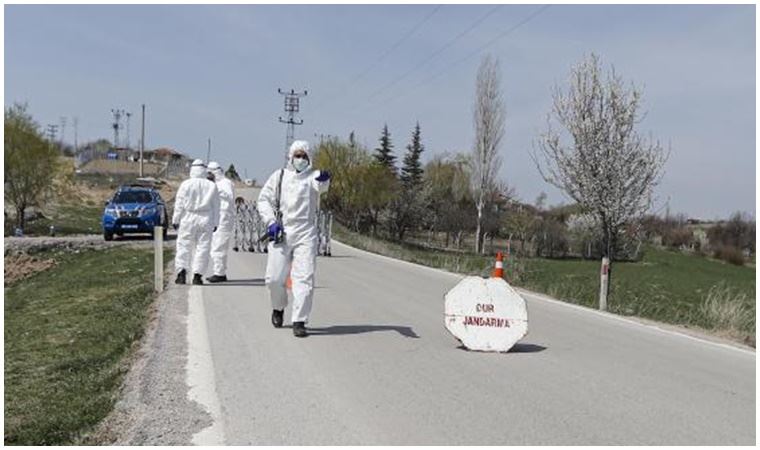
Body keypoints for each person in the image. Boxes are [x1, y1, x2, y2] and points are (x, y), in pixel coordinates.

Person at [257, 140, 330, 337]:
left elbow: (321, 186)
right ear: (290, 156)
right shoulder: (279, 176)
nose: (300, 159)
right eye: (297, 155)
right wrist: (271, 222)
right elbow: (263, 200)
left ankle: (299, 320)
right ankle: (278, 307)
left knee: (303, 277)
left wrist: (324, 179)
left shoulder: (313, 177)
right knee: (274, 278)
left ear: (309, 158)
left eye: (304, 156)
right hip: (282, 231)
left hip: (306, 232)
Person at [172, 159, 220, 285]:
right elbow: (216, 206)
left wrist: (175, 219)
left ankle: (181, 273)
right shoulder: (211, 185)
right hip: (206, 218)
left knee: (184, 245)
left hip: (188, 217)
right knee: (203, 248)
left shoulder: (185, 184)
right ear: (204, 170)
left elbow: (179, 204)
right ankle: (197, 276)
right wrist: (216, 222)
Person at [206, 161, 236, 282]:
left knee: (218, 247)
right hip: (218, 218)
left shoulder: (225, 183)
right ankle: (219, 272)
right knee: (216, 246)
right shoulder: (217, 184)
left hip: (224, 218)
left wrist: (215, 189)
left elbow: (228, 196)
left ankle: (219, 273)